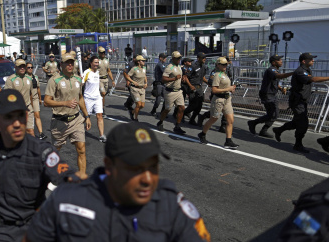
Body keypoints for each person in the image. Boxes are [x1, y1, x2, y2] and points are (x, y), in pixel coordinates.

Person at [25, 122, 211, 242]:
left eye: (153, 167)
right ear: (109, 166)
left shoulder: (173, 207)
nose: (147, 179)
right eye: (135, 169)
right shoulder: (67, 201)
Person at [0, 89, 84, 241]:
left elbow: (64, 173)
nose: (17, 123)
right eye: (9, 117)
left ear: (27, 116)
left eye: (21, 116)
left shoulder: (41, 151)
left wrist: (75, 179)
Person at [44, 53, 92, 175]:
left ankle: (82, 177)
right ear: (62, 64)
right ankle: (48, 175)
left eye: (72, 63)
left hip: (76, 119)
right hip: (60, 121)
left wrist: (86, 116)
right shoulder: (54, 80)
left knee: (81, 149)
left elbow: (80, 98)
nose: (70, 65)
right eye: (67, 63)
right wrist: (65, 103)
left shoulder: (78, 79)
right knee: (55, 152)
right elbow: (46, 102)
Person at [272, 53, 329, 153]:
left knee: (297, 122)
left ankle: (279, 130)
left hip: (302, 101)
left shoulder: (306, 70)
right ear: (304, 61)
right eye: (311, 59)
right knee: (303, 123)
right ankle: (298, 145)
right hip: (297, 102)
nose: (313, 61)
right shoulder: (300, 71)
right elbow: (313, 79)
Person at [197, 57, 239, 149]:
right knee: (214, 119)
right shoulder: (217, 75)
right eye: (223, 64)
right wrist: (228, 89)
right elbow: (214, 90)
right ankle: (202, 134)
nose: (225, 66)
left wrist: (231, 89)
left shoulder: (225, 73)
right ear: (218, 65)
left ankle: (228, 141)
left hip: (227, 99)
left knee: (230, 120)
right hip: (218, 100)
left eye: (226, 64)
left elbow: (225, 86)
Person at [247, 55, 293, 138]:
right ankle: (255, 124)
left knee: (272, 114)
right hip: (267, 95)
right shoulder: (271, 69)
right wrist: (293, 73)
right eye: (279, 60)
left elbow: (274, 82)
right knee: (273, 114)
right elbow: (278, 76)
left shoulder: (275, 70)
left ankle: (260, 128)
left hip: (272, 94)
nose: (281, 61)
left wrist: (280, 88)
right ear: (273, 62)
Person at [156, 51, 186, 135]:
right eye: (177, 58)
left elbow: (180, 76)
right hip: (170, 92)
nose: (179, 59)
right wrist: (174, 78)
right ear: (173, 59)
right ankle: (160, 122)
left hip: (179, 91)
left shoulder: (178, 66)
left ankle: (177, 126)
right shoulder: (169, 67)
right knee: (167, 109)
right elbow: (163, 79)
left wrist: (182, 78)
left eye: (180, 58)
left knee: (182, 108)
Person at [4, 59, 35, 136]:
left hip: (28, 108)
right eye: (19, 67)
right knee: (18, 132)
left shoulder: (29, 78)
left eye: (23, 66)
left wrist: (31, 106)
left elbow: (31, 94)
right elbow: (7, 96)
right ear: (15, 68)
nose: (22, 68)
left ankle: (33, 147)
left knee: (30, 131)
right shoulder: (11, 79)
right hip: (17, 110)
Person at [82, 56, 107, 143]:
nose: (97, 64)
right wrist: (80, 80)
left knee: (99, 116)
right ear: (91, 63)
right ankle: (78, 130)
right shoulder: (86, 72)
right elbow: (81, 84)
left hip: (97, 98)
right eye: (95, 62)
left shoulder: (97, 72)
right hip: (88, 98)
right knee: (86, 117)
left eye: (97, 62)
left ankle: (101, 135)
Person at [184, 52, 208, 125]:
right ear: (198, 58)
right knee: (193, 105)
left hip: (199, 88)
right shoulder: (193, 66)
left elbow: (203, 77)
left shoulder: (203, 66)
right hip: (192, 87)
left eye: (205, 57)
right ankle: (182, 113)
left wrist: (209, 83)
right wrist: (190, 86)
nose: (204, 59)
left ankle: (192, 119)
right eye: (203, 57)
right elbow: (186, 77)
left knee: (199, 105)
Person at [26, 61, 47, 140]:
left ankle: (41, 133)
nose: (30, 69)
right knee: (29, 117)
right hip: (27, 99)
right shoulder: (24, 78)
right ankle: (31, 133)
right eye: (28, 67)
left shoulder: (35, 77)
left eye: (31, 67)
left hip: (35, 98)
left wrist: (40, 99)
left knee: (37, 115)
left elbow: (38, 88)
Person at [126, 55, 147, 121]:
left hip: (142, 88)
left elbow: (145, 76)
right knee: (138, 104)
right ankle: (136, 118)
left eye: (144, 61)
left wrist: (146, 83)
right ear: (138, 62)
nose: (144, 62)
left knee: (142, 105)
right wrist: (132, 81)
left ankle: (132, 112)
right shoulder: (134, 69)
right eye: (142, 61)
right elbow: (127, 76)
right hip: (135, 89)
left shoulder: (144, 68)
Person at [98, 46, 115, 117]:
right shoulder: (96, 61)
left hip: (106, 79)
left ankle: (100, 105)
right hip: (99, 79)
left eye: (104, 52)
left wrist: (112, 80)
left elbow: (109, 71)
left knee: (103, 95)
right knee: (103, 93)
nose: (103, 54)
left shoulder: (106, 61)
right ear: (98, 53)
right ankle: (101, 108)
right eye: (101, 52)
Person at [150, 53, 168, 117]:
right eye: (164, 58)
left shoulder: (162, 64)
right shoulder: (160, 65)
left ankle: (162, 112)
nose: (165, 59)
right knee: (159, 99)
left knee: (166, 99)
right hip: (159, 84)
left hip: (163, 84)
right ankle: (153, 110)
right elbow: (165, 72)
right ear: (160, 58)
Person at [123, 54, 137, 119]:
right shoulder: (130, 64)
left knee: (133, 95)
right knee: (132, 95)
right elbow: (125, 72)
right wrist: (127, 81)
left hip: (136, 83)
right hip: (130, 82)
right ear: (134, 58)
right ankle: (128, 105)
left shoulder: (138, 65)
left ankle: (127, 104)